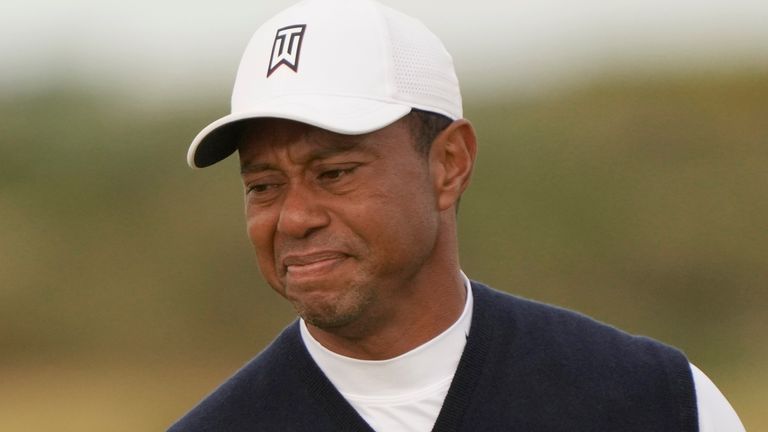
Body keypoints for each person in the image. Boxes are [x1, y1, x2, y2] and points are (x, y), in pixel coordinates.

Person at [170, 0, 745, 430]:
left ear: (449, 163)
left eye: (334, 173)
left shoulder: (656, 403)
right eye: (264, 185)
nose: (293, 218)